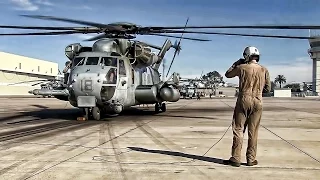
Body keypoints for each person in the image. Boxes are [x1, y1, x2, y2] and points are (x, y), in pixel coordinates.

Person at [223, 46, 271, 167]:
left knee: (238, 129)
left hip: (244, 99)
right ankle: (251, 159)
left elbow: (228, 74)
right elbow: (268, 88)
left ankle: (235, 158)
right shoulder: (264, 70)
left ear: (246, 56)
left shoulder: (241, 67)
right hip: (258, 100)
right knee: (253, 132)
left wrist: (237, 63)